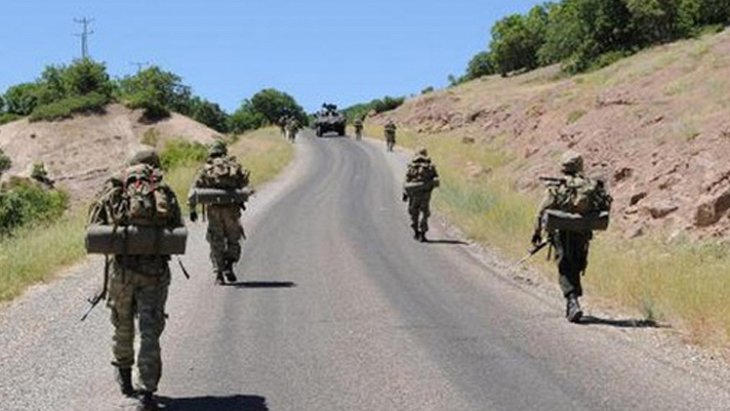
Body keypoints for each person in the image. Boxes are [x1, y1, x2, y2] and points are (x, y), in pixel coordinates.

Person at [87, 145, 183, 411]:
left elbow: (93, 227)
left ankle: (125, 380)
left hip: (122, 272)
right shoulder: (163, 191)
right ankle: (147, 392)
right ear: (154, 164)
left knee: (122, 325)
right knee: (150, 331)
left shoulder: (114, 190)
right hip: (154, 272)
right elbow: (178, 229)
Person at [531, 151, 611, 323]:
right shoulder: (590, 185)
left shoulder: (558, 186)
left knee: (565, 266)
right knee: (576, 263)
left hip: (561, 232)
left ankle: (572, 301)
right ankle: (573, 300)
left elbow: (541, 211)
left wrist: (536, 232)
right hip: (582, 233)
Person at [188, 141, 250, 285]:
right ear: (224, 151)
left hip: (214, 210)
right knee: (234, 238)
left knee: (216, 240)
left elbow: (194, 191)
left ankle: (219, 273)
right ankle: (230, 264)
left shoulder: (205, 168)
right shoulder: (234, 166)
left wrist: (192, 210)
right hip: (232, 210)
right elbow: (245, 186)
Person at [403, 148, 439, 242]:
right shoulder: (430, 166)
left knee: (414, 212)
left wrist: (405, 194)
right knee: (425, 213)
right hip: (425, 194)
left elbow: (407, 181)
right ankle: (423, 233)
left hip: (414, 194)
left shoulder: (412, 166)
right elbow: (435, 179)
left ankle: (416, 232)